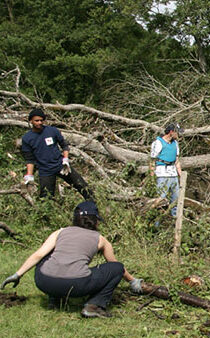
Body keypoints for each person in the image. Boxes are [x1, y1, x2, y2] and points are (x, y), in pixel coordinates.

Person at [0, 201, 143, 318]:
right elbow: (116, 267)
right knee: (116, 267)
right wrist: (133, 281)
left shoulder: (60, 232)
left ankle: (54, 299)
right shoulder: (101, 240)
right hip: (76, 285)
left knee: (48, 258)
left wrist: (18, 274)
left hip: (44, 282)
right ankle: (93, 306)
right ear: (95, 222)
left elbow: (38, 255)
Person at [20, 108, 92, 200]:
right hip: (45, 170)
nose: (39, 123)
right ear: (31, 121)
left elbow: (64, 146)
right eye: (36, 120)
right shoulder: (27, 138)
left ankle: (94, 207)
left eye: (41, 120)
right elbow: (29, 159)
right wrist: (29, 175)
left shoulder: (52, 131)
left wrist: (65, 160)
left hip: (61, 166)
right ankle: (47, 213)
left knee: (83, 187)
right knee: (46, 198)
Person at [149, 123, 183, 217]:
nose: (178, 135)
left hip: (173, 174)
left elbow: (177, 160)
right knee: (160, 200)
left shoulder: (175, 144)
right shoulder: (158, 143)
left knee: (176, 200)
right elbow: (152, 161)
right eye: (177, 132)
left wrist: (181, 174)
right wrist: (152, 177)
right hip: (162, 175)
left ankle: (175, 220)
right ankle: (156, 222)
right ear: (171, 132)